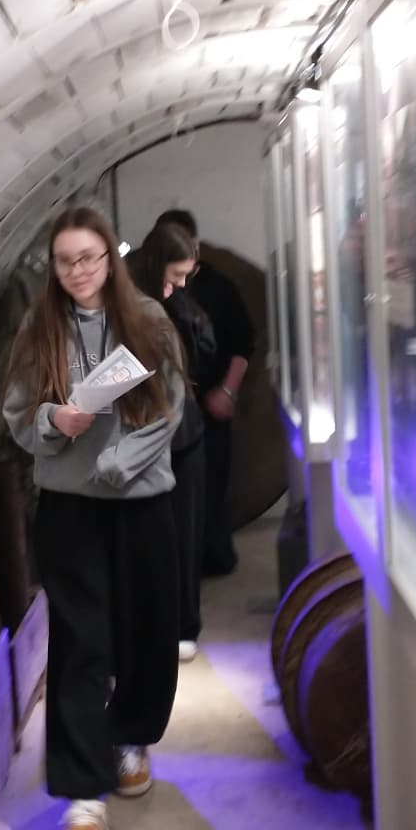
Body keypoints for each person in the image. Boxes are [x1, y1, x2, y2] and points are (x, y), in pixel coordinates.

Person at [3, 206, 186, 830]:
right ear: (53, 267)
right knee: (80, 643)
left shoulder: (148, 320)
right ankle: (83, 792)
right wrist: (54, 421)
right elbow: (18, 415)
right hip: (70, 507)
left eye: (87, 257)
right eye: (65, 261)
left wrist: (119, 462)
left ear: (109, 257)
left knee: (147, 633)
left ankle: (129, 737)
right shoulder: (39, 328)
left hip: (140, 503)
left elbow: (170, 409)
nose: (77, 270)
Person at [128, 222, 217, 663]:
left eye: (187, 275)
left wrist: (179, 308)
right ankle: (148, 627)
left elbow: (203, 359)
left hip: (184, 437)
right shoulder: (128, 304)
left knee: (186, 533)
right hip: (143, 438)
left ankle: (184, 626)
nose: (181, 284)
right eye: (176, 274)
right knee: (145, 541)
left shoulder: (181, 306)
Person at [155, 209, 256, 576]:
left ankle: (213, 558)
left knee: (210, 490)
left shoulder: (218, 286)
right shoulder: (147, 291)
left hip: (207, 408)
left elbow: (242, 344)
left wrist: (227, 392)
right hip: (166, 415)